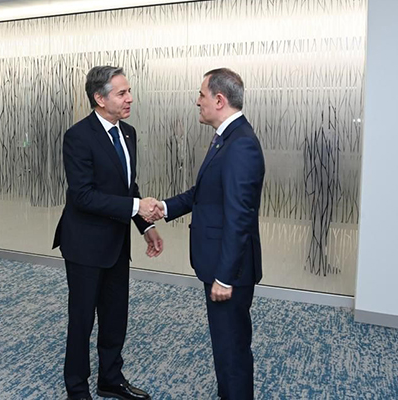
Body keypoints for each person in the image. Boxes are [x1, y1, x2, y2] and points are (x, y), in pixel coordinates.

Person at [53, 65, 164, 400]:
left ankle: (110, 379)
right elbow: (83, 196)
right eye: (122, 93)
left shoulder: (128, 133)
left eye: (129, 92)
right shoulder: (78, 136)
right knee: (82, 319)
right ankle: (77, 388)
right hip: (84, 244)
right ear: (100, 99)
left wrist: (146, 226)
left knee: (116, 316)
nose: (129, 98)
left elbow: (128, 186)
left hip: (117, 242)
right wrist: (137, 207)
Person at [158, 68, 265, 400]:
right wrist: (164, 207)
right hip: (220, 264)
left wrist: (225, 277)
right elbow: (203, 193)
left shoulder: (240, 145)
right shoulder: (226, 138)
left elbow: (239, 217)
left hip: (228, 270)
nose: (197, 101)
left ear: (219, 100)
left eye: (201, 95)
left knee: (232, 350)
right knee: (225, 346)